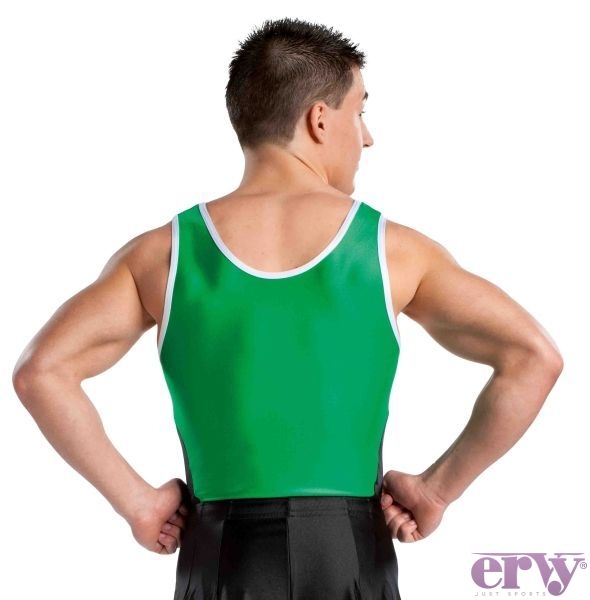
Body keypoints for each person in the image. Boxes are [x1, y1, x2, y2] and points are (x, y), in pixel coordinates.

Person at [12, 16, 563, 600]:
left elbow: (41, 371)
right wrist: (436, 490)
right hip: (348, 554)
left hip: (219, 556)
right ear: (319, 119)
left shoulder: (162, 255)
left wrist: (137, 503)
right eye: (359, 112)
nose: (367, 137)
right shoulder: (393, 251)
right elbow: (534, 357)